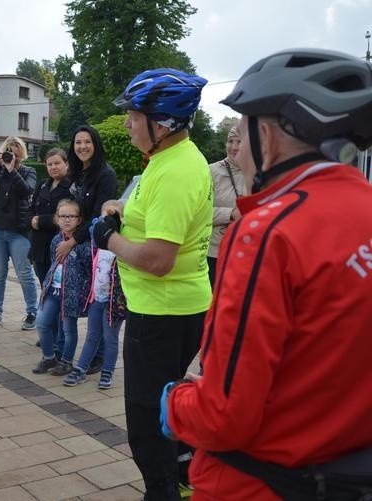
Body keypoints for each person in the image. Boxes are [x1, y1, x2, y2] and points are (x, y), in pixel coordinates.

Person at [162, 48, 372, 500]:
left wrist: (175, 403)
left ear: (270, 136)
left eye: (241, 129)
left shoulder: (268, 231)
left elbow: (223, 416)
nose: (237, 151)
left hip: (259, 483)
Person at [93, 68, 212, 500]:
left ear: (161, 123)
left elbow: (159, 259)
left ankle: (163, 491)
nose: (126, 123)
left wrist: (108, 238)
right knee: (168, 408)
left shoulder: (174, 172)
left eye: (132, 115)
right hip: (172, 307)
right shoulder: (167, 161)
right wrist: (120, 210)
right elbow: (155, 223)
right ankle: (182, 478)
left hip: (162, 312)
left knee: (146, 423)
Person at [58, 125, 118, 374]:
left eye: (87, 142)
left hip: (96, 249)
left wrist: (71, 241)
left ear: (95, 144)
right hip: (79, 245)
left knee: (98, 303)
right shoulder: (76, 173)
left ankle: (100, 357)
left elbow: (96, 217)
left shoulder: (105, 174)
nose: (82, 147)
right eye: (78, 142)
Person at [0, 136, 38, 330]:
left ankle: (32, 313)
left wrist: (12, 170)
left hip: (19, 231)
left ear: (21, 153)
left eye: (15, 150)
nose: (11, 154)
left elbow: (27, 190)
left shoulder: (28, 171)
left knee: (24, 273)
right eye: (8, 150)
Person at [32, 199, 92, 375]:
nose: (67, 220)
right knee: (42, 323)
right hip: (52, 291)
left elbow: (88, 271)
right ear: (57, 219)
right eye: (63, 216)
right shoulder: (56, 240)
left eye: (71, 216)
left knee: (68, 329)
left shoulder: (84, 245)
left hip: (71, 294)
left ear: (79, 220)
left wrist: (83, 292)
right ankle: (49, 357)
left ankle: (66, 362)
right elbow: (54, 262)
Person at [62, 238, 126, 389]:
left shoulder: (124, 249)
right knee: (92, 335)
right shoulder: (97, 248)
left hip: (114, 303)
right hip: (96, 298)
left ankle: (107, 371)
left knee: (110, 338)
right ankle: (81, 368)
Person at [207, 126, 247, 286]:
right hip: (215, 253)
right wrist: (230, 213)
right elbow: (196, 212)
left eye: (240, 141)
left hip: (246, 251)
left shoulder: (260, 171)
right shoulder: (210, 172)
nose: (234, 147)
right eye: (230, 141)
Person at [29, 148, 72, 282]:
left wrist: (40, 221)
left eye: (57, 163)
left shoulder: (72, 186)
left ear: (66, 164)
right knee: (44, 286)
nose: (53, 167)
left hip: (60, 246)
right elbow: (31, 209)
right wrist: (31, 220)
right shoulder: (42, 185)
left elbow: (68, 217)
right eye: (50, 164)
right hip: (39, 247)